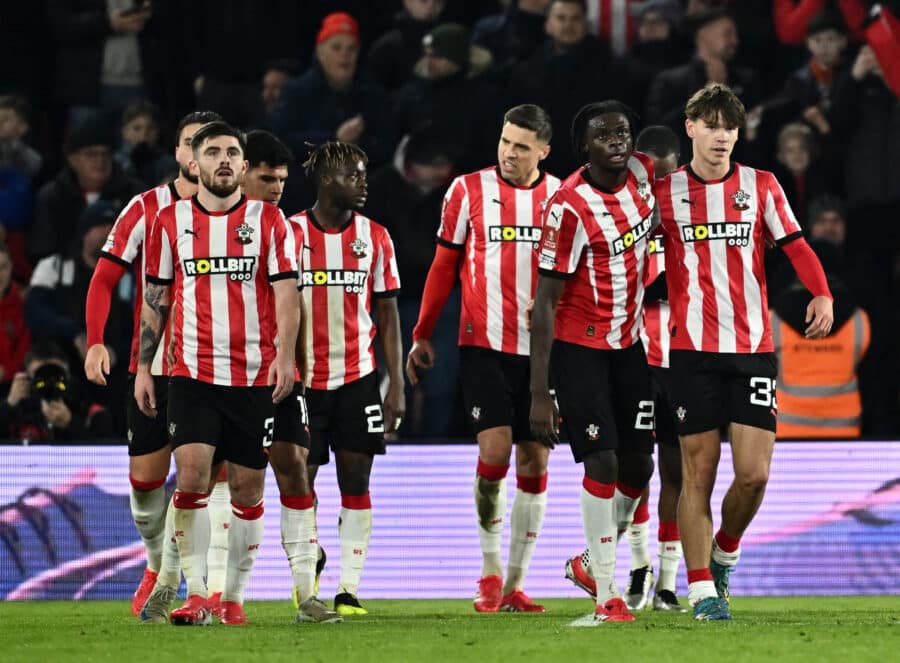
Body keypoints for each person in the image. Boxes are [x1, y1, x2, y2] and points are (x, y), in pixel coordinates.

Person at [653, 83, 833, 620]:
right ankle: (703, 588)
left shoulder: (761, 185)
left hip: (752, 348)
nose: (722, 137)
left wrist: (820, 291)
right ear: (691, 129)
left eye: (730, 127)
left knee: (754, 474)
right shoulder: (664, 194)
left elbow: (796, 245)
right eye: (711, 125)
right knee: (696, 474)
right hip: (690, 353)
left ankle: (725, 547)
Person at [135, 121, 300, 626]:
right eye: (213, 152)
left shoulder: (271, 222)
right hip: (191, 373)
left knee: (249, 491)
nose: (224, 160)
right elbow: (155, 298)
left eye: (232, 152)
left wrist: (285, 355)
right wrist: (144, 366)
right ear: (195, 164)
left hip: (252, 376)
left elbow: (289, 295)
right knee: (190, 477)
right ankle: (198, 593)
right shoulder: (169, 221)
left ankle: (232, 595)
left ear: (243, 166)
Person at [407, 105, 560, 613]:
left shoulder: (561, 198)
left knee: (535, 459)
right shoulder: (466, 191)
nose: (509, 153)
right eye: (505, 141)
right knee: (495, 451)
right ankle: (490, 571)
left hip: (544, 353)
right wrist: (423, 332)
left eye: (521, 145)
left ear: (543, 151)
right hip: (484, 344)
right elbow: (444, 265)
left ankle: (516, 581)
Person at [83, 111, 222, 617]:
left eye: (213, 146)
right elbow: (103, 278)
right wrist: (96, 341)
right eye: (192, 144)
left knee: (211, 482)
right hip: (156, 365)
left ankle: (210, 590)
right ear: (180, 153)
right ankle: (154, 561)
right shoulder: (145, 208)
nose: (202, 154)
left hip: (218, 368)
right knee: (146, 483)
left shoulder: (245, 214)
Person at [530, 100, 657, 623]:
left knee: (639, 466)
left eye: (623, 131)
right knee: (601, 460)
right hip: (580, 350)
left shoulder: (644, 177)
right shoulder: (568, 206)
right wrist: (540, 393)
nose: (617, 141)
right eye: (604, 135)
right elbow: (544, 302)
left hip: (630, 344)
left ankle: (587, 564)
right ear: (584, 146)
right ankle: (607, 589)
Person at [288, 141, 404, 616]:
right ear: (323, 180)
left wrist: (396, 382)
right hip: (302, 382)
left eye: (363, 174)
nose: (363, 183)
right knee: (301, 482)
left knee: (356, 480)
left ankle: (349, 588)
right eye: (352, 175)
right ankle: (306, 561)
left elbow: (389, 313)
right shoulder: (290, 233)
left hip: (358, 377)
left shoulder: (376, 236)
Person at [241, 129, 341, 624]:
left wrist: (296, 368)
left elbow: (294, 306)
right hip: (217, 373)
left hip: (278, 372)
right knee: (222, 478)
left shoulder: (282, 226)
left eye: (282, 180)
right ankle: (215, 591)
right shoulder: (203, 221)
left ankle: (307, 594)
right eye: (267, 178)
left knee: (295, 465)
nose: (277, 188)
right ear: (241, 172)